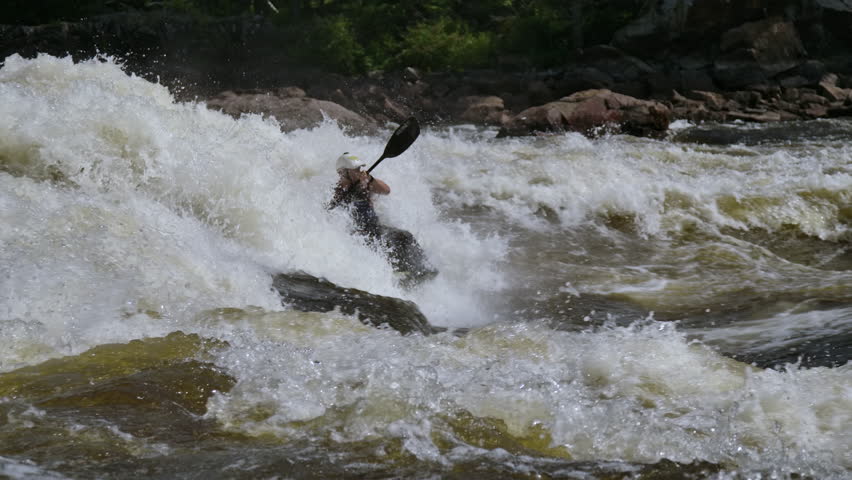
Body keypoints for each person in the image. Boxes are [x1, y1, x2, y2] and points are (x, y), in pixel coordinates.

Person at [327, 152, 437, 285]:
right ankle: (392, 271)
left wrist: (370, 180)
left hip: (374, 227)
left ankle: (420, 269)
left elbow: (386, 190)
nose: (359, 171)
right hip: (357, 234)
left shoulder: (365, 184)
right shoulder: (338, 190)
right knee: (379, 243)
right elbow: (330, 211)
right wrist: (343, 196)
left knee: (404, 236)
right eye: (355, 170)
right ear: (344, 173)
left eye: (359, 169)